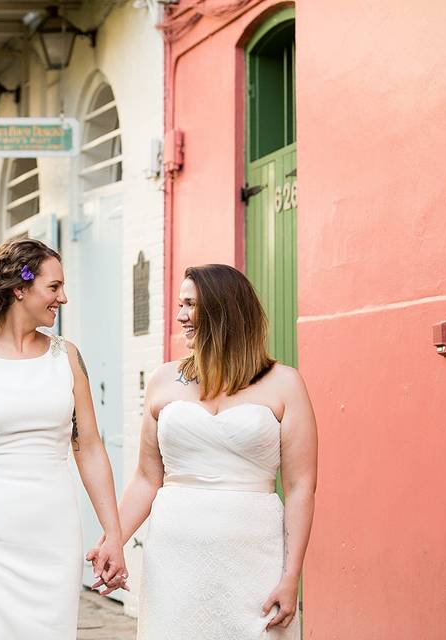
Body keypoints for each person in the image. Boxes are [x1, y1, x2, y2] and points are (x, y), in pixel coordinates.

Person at [89, 264, 317, 638]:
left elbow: (300, 488)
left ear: (223, 310)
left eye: (190, 305)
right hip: (175, 554)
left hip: (254, 552)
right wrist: (114, 538)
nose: (181, 316)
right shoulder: (164, 380)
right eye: (180, 304)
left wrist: (291, 576)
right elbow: (147, 478)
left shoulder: (284, 384)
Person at [0, 239, 126, 639]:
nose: (63, 298)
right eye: (54, 287)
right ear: (20, 288)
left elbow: (90, 448)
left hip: (52, 535)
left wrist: (113, 535)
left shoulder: (67, 357)